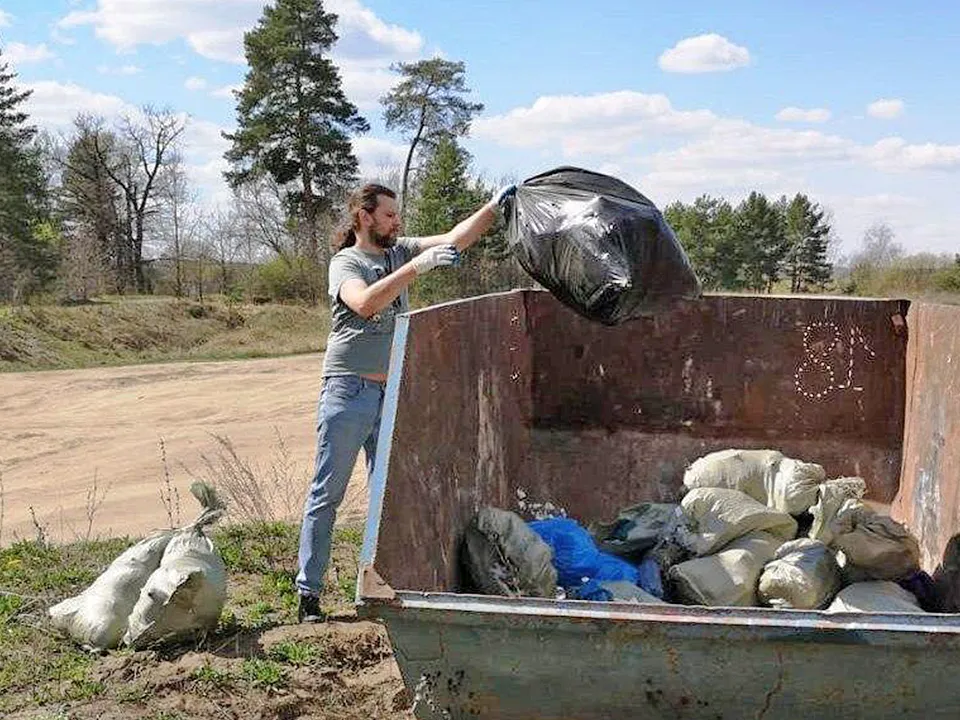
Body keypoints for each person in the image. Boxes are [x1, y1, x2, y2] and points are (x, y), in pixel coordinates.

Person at [296, 181, 516, 621]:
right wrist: (417, 268)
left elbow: (455, 238)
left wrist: (494, 207)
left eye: (398, 215)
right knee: (328, 494)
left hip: (391, 392)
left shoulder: (398, 251)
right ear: (364, 217)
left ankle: (378, 589)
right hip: (349, 391)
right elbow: (364, 303)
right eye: (389, 215)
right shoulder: (347, 262)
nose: (397, 222)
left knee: (389, 497)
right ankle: (309, 594)